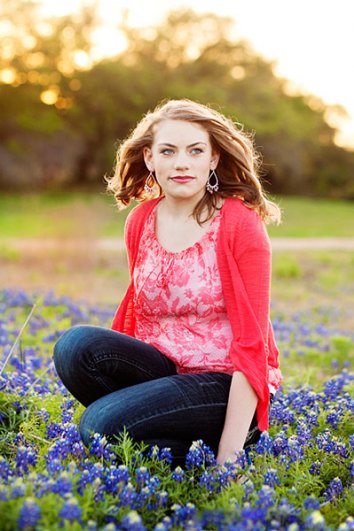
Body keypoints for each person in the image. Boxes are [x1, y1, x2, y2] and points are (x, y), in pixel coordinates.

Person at [53, 99, 282, 465]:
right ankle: (159, 435)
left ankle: (207, 452)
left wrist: (229, 459)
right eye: (168, 151)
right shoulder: (140, 220)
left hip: (223, 384)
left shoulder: (240, 223)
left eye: (195, 150)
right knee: (74, 346)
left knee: (99, 424)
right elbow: (141, 316)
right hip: (163, 371)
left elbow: (252, 347)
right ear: (149, 158)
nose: (181, 163)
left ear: (213, 159)